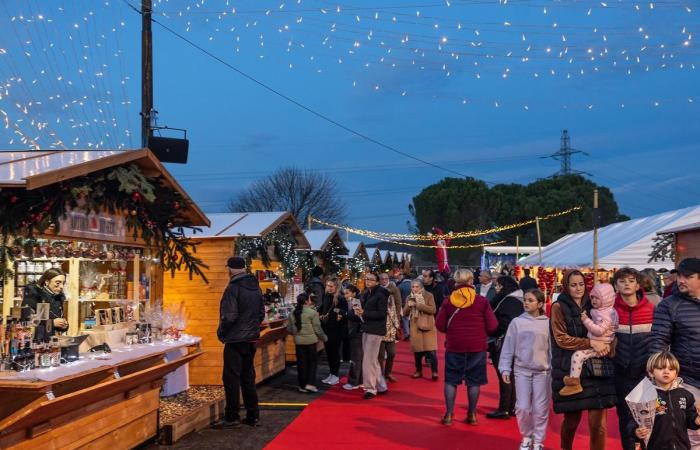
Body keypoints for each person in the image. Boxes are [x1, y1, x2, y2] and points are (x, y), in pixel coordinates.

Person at [550, 269, 617, 450]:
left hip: (597, 369)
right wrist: (591, 342)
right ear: (566, 286)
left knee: (598, 426)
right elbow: (561, 338)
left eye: (581, 284)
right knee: (571, 421)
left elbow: (610, 330)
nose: (578, 288)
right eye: (573, 285)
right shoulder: (558, 307)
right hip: (570, 369)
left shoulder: (594, 303)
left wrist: (608, 346)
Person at [649, 257, 700, 448]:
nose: (681, 280)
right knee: (694, 435)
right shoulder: (669, 305)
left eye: (688, 276)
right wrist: (660, 376)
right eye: (679, 275)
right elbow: (658, 342)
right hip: (688, 381)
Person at [436, 269, 497, 426]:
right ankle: (472, 414)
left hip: (455, 345)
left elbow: (440, 325)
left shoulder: (448, 301)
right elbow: (492, 326)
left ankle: (449, 415)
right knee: (474, 382)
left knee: (451, 380)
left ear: (456, 282)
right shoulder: (481, 301)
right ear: (471, 281)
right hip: (477, 346)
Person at [213, 256, 265, 428]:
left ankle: (232, 416)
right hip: (251, 339)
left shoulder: (233, 288)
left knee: (231, 378)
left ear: (231, 268)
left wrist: (221, 333)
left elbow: (229, 316)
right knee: (248, 377)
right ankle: (253, 414)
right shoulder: (255, 287)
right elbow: (261, 314)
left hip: (235, 339)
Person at [498, 289, 551, 450]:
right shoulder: (516, 322)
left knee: (541, 408)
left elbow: (552, 350)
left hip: (543, 372)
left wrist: (555, 370)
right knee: (522, 407)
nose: (526, 303)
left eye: (530, 300)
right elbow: (508, 346)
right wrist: (505, 368)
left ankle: (538, 441)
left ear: (540, 303)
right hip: (521, 370)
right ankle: (527, 436)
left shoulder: (548, 323)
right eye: (525, 300)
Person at [612, 267, 655, 450]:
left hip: (645, 373)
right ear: (616, 286)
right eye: (622, 281)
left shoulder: (651, 309)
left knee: (646, 417)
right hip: (619, 372)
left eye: (630, 281)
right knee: (625, 417)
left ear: (638, 285)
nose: (627, 284)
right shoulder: (609, 310)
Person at [559, 283, 618, 396]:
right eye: (592, 297)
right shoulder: (605, 310)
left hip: (601, 344)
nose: (594, 301)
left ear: (605, 299)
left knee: (578, 356)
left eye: (597, 298)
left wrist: (586, 320)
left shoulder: (606, 315)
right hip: (601, 342)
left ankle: (574, 383)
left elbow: (599, 330)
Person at [634, 351, 700, 450]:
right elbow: (633, 420)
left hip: (681, 447)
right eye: (661, 368)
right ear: (651, 372)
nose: (666, 371)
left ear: (676, 373)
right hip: (655, 446)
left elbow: (690, 419)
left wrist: (696, 420)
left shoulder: (685, 394)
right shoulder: (645, 395)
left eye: (671, 369)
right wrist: (636, 431)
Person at [487, 275, 524, 419]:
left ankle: (504, 408)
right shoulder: (518, 300)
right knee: (511, 375)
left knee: (505, 375)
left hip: (504, 342)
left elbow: (504, 323)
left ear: (504, 287)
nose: (496, 288)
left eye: (498, 286)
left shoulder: (509, 301)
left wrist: (493, 330)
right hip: (516, 342)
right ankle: (512, 406)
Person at [287, 293, 328, 393]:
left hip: (298, 342)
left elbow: (289, 329)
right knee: (312, 363)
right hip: (311, 342)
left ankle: (302, 386)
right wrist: (324, 338)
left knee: (301, 364)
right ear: (306, 301)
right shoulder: (312, 312)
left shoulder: (292, 313)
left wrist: (297, 334)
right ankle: (310, 383)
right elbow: (317, 328)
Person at [358, 272, 389, 400]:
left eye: (371, 279)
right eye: (366, 279)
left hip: (375, 330)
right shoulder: (368, 293)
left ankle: (370, 388)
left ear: (377, 282)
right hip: (367, 328)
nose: (367, 281)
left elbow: (382, 314)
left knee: (368, 361)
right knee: (372, 360)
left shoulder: (381, 295)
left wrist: (365, 312)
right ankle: (381, 386)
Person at [403, 280, 438, 380]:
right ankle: (418, 371)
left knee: (431, 352)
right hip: (415, 327)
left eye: (416, 287)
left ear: (421, 287)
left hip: (428, 326)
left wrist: (417, 305)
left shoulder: (428, 295)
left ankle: (435, 372)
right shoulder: (409, 297)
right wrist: (409, 306)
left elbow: (433, 310)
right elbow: (404, 314)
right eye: (413, 287)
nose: (414, 289)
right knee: (417, 352)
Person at [22, 268, 69, 335]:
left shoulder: (58, 298)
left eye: (63, 283)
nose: (61, 286)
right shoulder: (34, 295)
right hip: (34, 341)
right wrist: (52, 323)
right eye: (58, 283)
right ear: (47, 282)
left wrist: (63, 325)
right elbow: (26, 321)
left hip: (52, 340)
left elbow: (55, 321)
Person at [319, 278, 347, 386]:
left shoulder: (340, 298)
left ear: (336, 286)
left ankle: (335, 375)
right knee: (329, 353)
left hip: (336, 329)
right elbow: (322, 308)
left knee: (335, 353)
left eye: (331, 286)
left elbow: (345, 312)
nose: (329, 288)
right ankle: (331, 373)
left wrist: (340, 316)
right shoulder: (326, 296)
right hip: (326, 327)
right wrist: (319, 313)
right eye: (327, 285)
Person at [378, 273, 402, 382]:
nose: (384, 280)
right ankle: (381, 375)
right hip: (380, 326)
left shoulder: (394, 289)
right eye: (382, 279)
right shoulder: (376, 290)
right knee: (380, 355)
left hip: (391, 325)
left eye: (386, 279)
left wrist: (397, 320)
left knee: (392, 353)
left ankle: (388, 373)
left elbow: (398, 304)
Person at [342, 284, 364, 391]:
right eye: (344, 293)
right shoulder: (355, 301)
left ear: (354, 293)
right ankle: (359, 381)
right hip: (357, 332)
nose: (345, 296)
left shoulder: (355, 301)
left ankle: (353, 381)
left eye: (347, 293)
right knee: (359, 357)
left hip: (356, 333)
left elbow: (357, 316)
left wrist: (344, 313)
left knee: (355, 358)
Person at [396, 272, 413, 341]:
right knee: (413, 320)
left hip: (404, 305)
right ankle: (414, 334)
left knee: (405, 320)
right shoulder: (415, 286)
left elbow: (398, 297)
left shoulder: (400, 286)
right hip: (414, 305)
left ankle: (407, 334)